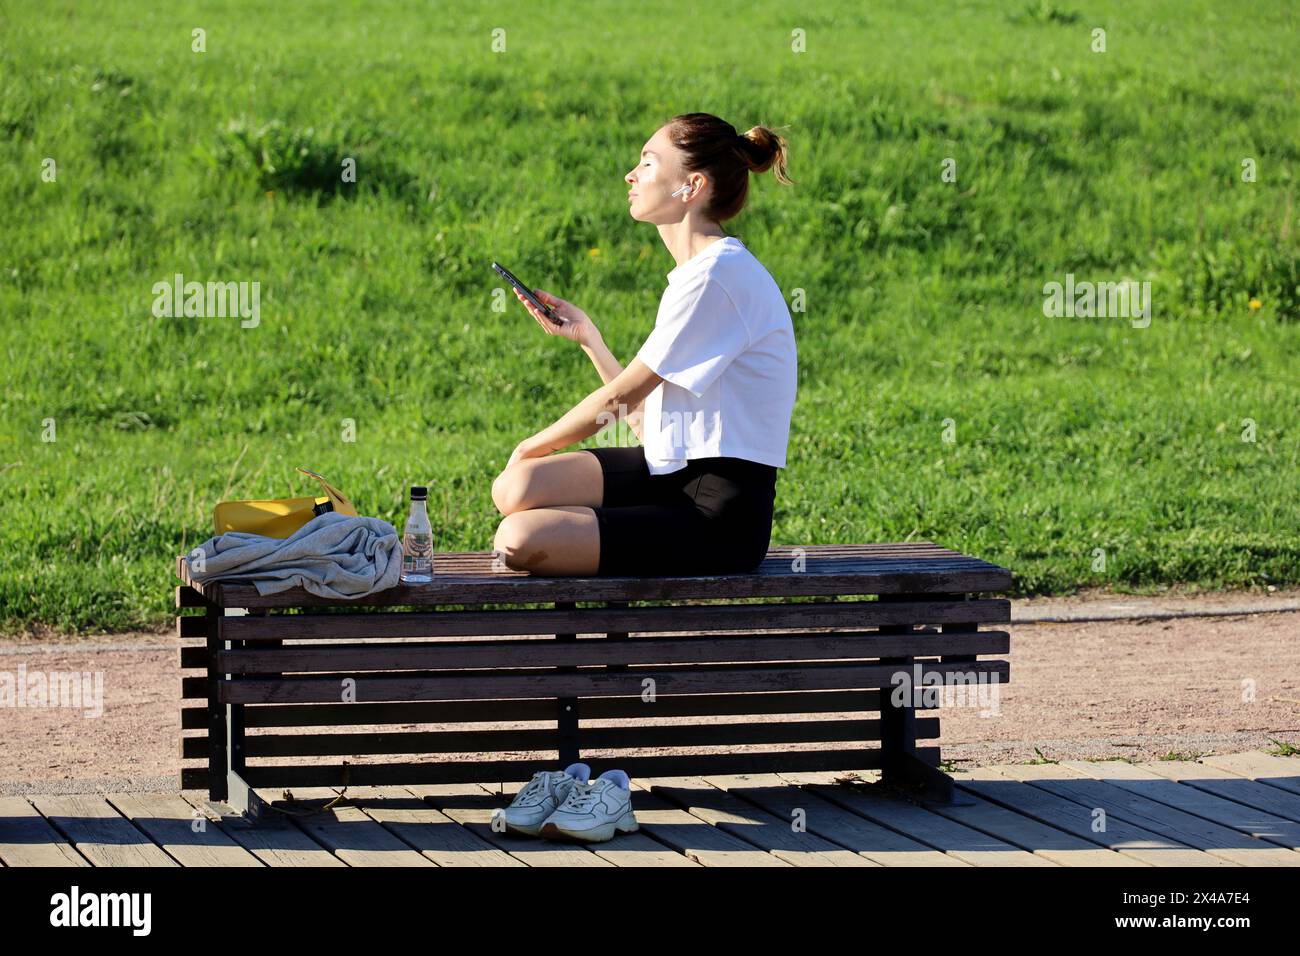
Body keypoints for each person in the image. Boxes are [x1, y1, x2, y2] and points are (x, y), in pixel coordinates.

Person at [492, 112, 797, 577]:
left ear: (690, 187)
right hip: (667, 476)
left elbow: (620, 397)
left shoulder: (718, 277)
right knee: (515, 489)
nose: (631, 175)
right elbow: (645, 426)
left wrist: (530, 444)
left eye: (649, 163)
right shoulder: (698, 275)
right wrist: (590, 339)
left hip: (717, 515)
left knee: (518, 537)